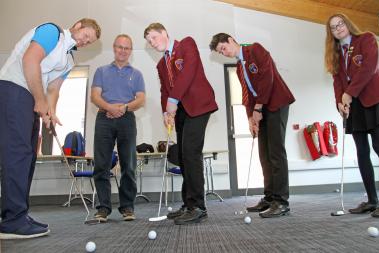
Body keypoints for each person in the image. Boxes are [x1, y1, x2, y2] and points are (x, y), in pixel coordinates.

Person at [0, 18, 101, 239]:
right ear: (77, 25)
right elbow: (30, 61)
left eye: (89, 41)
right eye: (85, 35)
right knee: (17, 155)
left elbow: (54, 89)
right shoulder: (51, 32)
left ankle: (18, 214)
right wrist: (40, 101)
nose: (85, 41)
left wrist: (51, 112)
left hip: (28, 98)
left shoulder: (68, 60)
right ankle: (11, 221)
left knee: (27, 156)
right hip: (13, 90)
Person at [209, 33, 295, 218]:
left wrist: (258, 108)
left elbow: (267, 79)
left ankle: (281, 202)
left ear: (231, 40)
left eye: (223, 48)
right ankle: (270, 197)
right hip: (261, 109)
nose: (223, 53)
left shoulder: (255, 49)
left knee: (276, 152)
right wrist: (250, 117)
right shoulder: (239, 67)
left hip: (276, 104)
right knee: (264, 153)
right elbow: (246, 93)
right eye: (220, 52)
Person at [325, 14, 379, 218]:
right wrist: (340, 102)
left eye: (340, 24)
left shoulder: (366, 38)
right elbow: (337, 81)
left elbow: (369, 69)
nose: (338, 29)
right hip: (353, 105)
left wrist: (349, 93)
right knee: (361, 150)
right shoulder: (335, 53)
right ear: (330, 33)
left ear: (348, 24)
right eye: (333, 27)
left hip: (374, 99)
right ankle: (372, 201)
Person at [144, 23, 218, 225]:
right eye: (149, 41)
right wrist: (165, 113)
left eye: (154, 37)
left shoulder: (186, 44)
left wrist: (172, 102)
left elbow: (189, 72)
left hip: (199, 106)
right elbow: (164, 91)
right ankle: (188, 204)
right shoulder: (161, 64)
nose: (152, 43)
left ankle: (198, 207)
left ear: (165, 33)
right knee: (184, 157)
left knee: (191, 153)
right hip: (180, 112)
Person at [91, 34, 145, 222]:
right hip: (104, 118)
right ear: (114, 48)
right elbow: (95, 96)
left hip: (127, 119)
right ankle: (104, 208)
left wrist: (123, 108)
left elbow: (140, 98)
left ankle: (127, 207)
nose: (123, 50)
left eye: (127, 48)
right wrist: (111, 108)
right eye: (119, 47)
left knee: (129, 165)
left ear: (130, 51)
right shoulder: (101, 71)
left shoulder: (136, 74)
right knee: (101, 165)